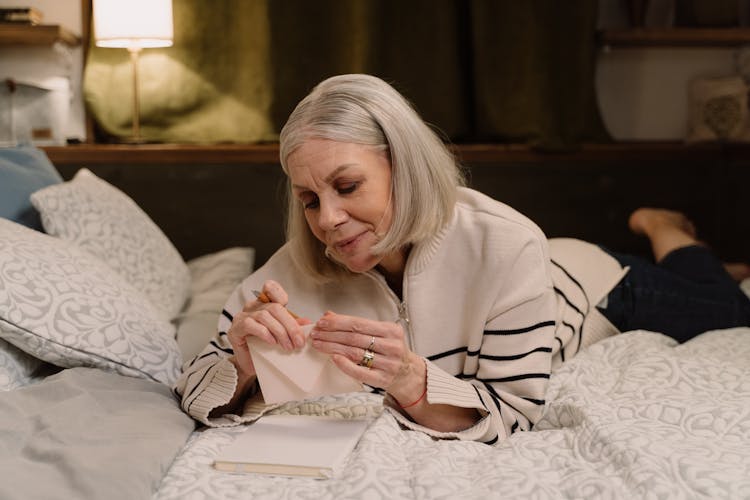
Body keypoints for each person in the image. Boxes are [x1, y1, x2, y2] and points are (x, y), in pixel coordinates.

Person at [174, 74, 750, 445]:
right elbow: (193, 391)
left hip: (593, 283)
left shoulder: (507, 242)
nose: (325, 220)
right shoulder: (291, 269)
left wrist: (411, 379)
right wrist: (243, 361)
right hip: (547, 274)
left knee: (728, 306)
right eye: (309, 200)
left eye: (347, 187)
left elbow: (516, 412)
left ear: (405, 167)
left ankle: (666, 230)